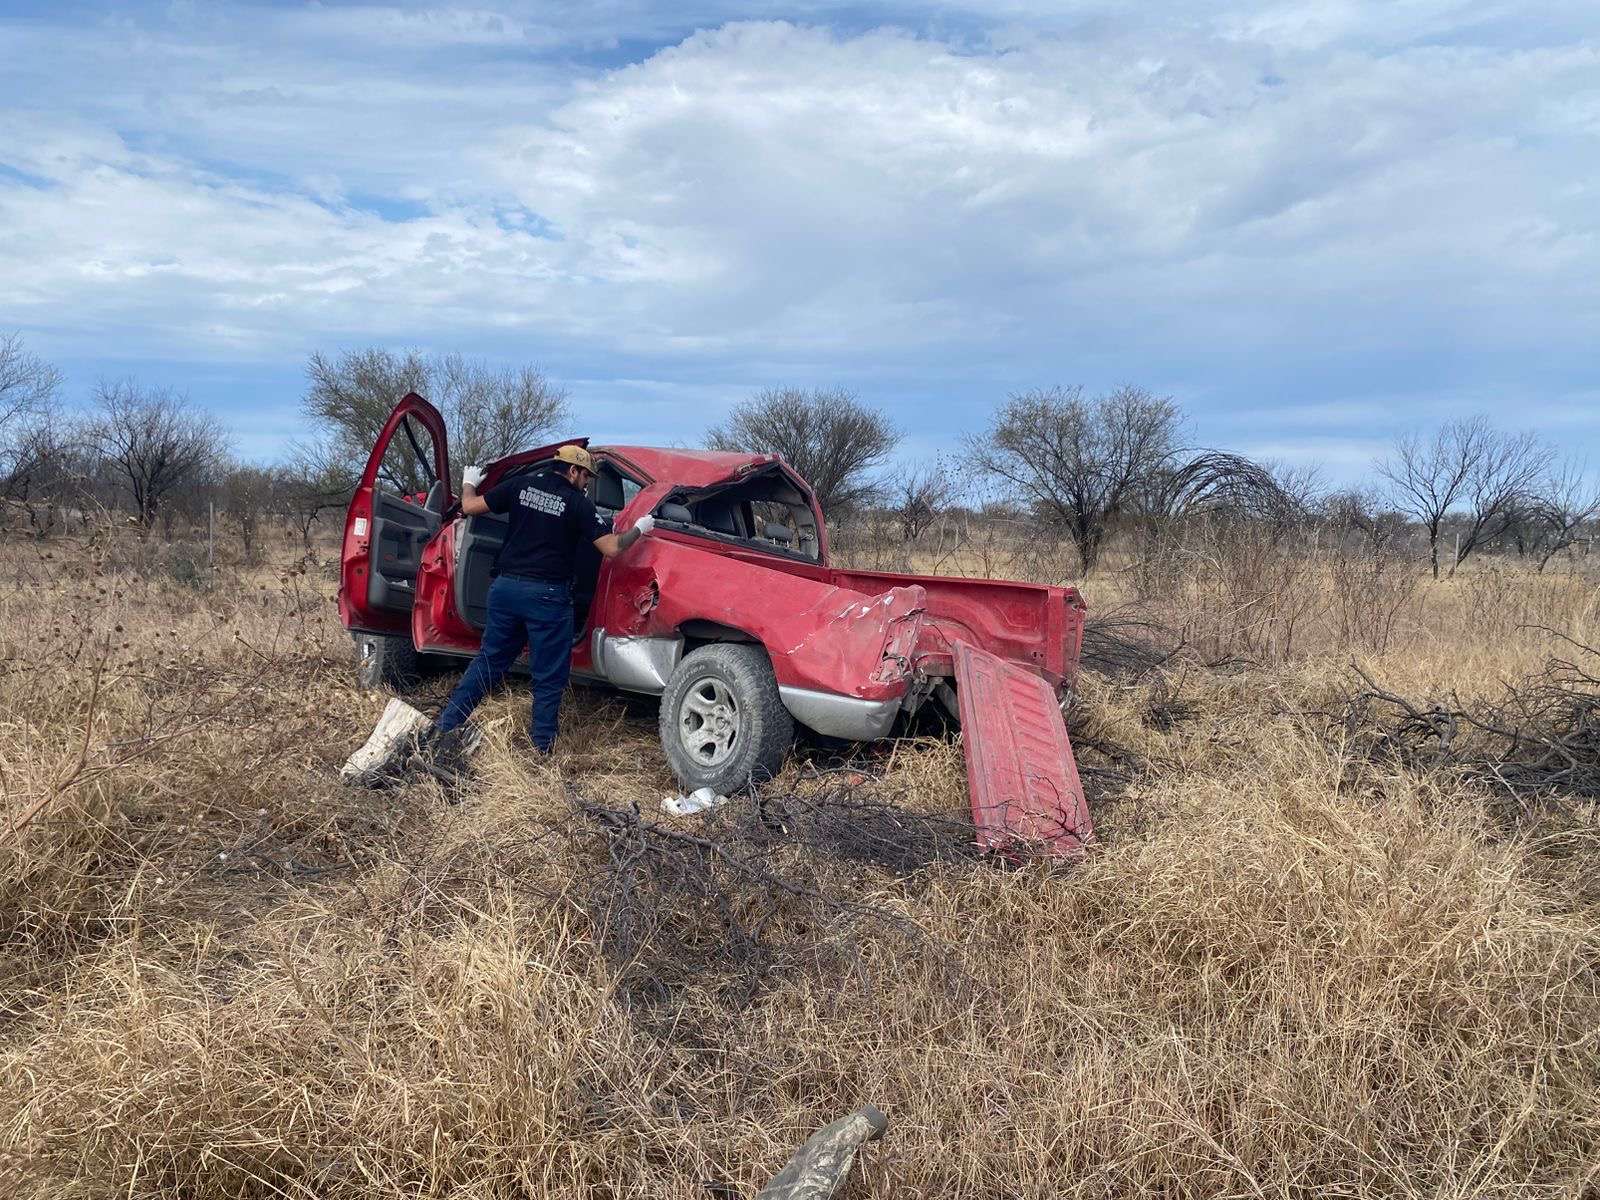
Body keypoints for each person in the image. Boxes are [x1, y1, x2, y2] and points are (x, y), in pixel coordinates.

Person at [426, 444, 655, 757]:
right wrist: (640, 529)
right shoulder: (577, 503)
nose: (586, 483)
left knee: (489, 662)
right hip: (546, 597)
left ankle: (445, 726)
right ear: (572, 471)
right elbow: (613, 548)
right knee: (548, 676)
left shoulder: (519, 485)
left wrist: (469, 483)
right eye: (586, 476)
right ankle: (541, 750)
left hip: (505, 590)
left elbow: (468, 506)